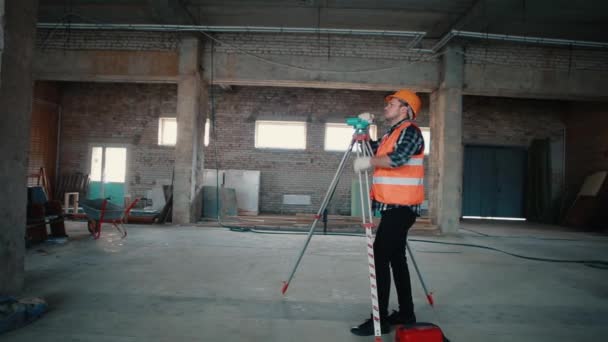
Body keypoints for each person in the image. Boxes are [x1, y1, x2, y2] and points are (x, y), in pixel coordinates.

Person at [350, 89, 425, 336]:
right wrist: (363, 131)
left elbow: (397, 159)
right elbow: (372, 150)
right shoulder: (389, 134)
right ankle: (406, 312)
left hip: (401, 209)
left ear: (405, 109)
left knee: (380, 257)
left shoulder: (411, 131)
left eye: (391, 104)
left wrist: (368, 163)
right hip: (391, 207)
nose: (386, 107)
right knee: (396, 259)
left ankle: (379, 319)